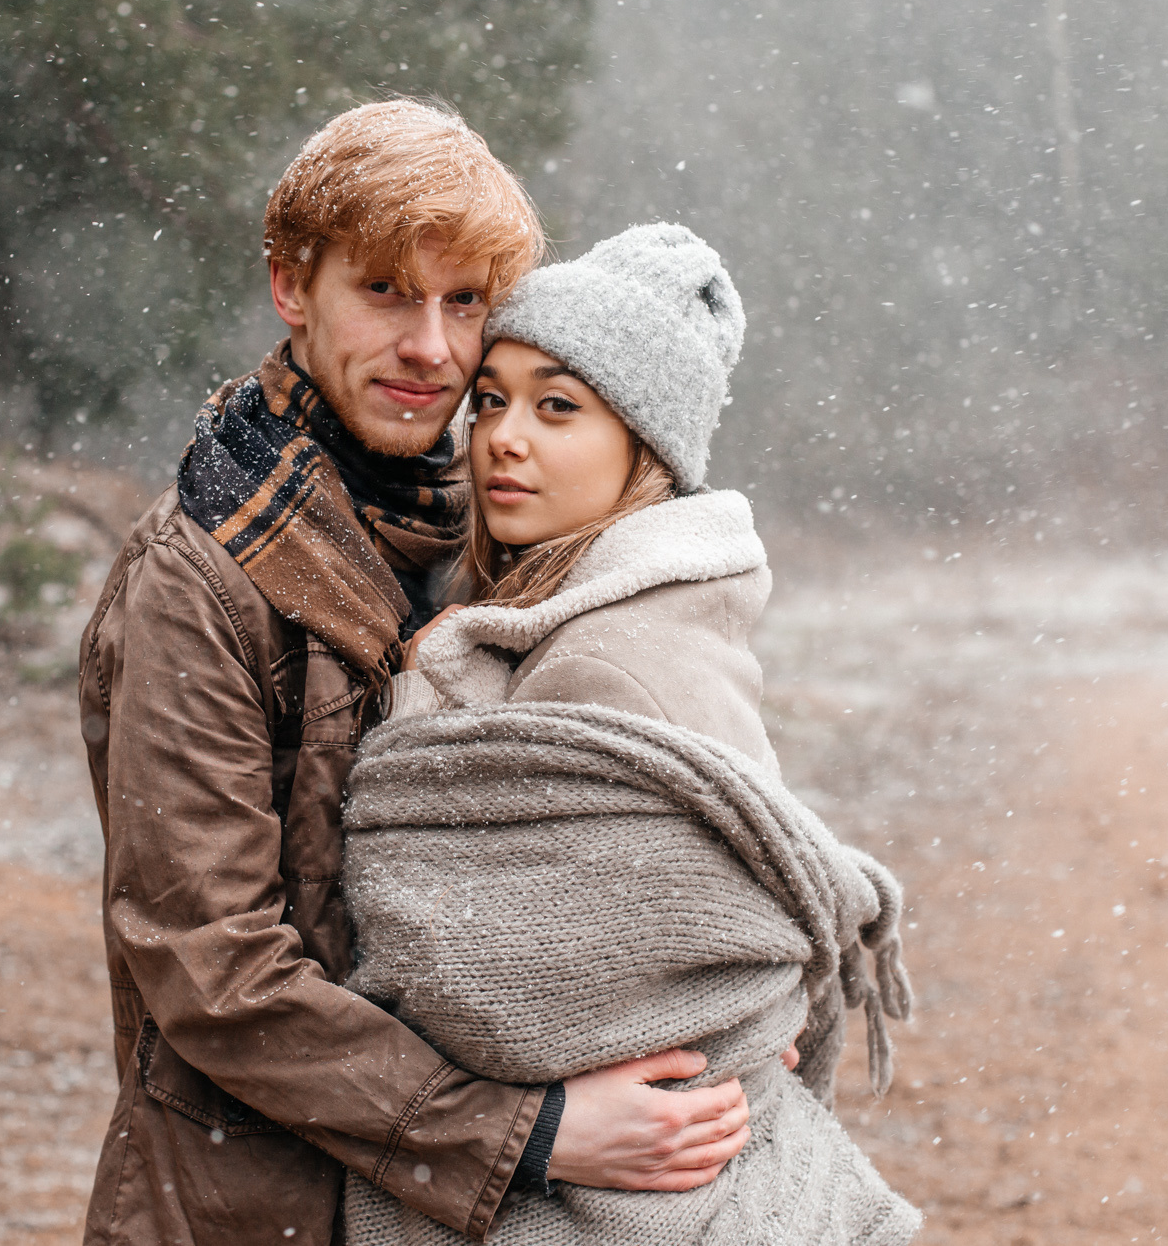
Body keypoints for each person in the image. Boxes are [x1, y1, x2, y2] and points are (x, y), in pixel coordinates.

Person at [77, 104, 753, 1246]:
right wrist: (521, 1134)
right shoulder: (196, 579)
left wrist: (715, 1017)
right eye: (385, 290)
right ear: (294, 286)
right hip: (251, 1206)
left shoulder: (467, 534)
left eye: (462, 302)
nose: (430, 348)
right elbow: (211, 970)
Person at [340, 224, 922, 1244]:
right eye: (491, 400)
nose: (502, 436)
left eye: (556, 406)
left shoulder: (610, 657)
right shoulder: (579, 612)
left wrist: (420, 690)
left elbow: (478, 979)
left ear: (644, 446)